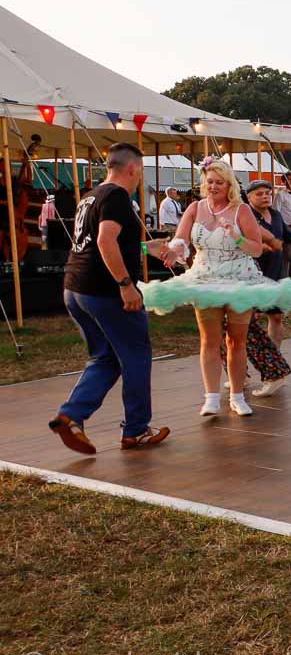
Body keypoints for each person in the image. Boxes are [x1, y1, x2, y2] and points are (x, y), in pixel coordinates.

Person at [141, 158, 291, 417]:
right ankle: (211, 397)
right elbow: (181, 240)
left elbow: (256, 249)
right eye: (209, 182)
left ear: (229, 184)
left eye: (219, 182)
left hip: (238, 279)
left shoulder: (241, 210)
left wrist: (237, 236)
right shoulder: (195, 209)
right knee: (209, 341)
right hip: (205, 278)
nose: (213, 187)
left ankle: (236, 395)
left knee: (236, 341)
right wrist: (173, 250)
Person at [49, 143, 171, 454]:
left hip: (75, 288)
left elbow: (100, 241)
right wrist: (126, 285)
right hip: (105, 290)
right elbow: (105, 241)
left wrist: (147, 247)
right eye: (140, 172)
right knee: (135, 356)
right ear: (133, 169)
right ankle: (137, 430)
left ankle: (71, 415)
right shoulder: (118, 195)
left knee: (104, 358)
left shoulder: (92, 195)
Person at [240, 179, 291, 397]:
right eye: (259, 194)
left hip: (276, 275)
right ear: (249, 197)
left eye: (267, 193)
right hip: (251, 277)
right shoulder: (244, 216)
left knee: (275, 318)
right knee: (245, 325)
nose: (265, 197)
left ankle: (273, 362)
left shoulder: (276, 215)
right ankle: (242, 372)